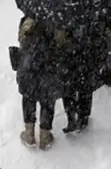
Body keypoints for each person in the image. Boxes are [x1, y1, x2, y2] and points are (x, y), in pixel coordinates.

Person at [13, 15, 69, 150]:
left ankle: (29, 133)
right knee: (48, 100)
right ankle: (45, 135)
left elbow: (20, 39)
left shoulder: (28, 20)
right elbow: (63, 44)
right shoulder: (58, 20)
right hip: (49, 70)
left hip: (29, 68)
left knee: (28, 98)